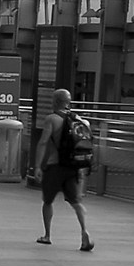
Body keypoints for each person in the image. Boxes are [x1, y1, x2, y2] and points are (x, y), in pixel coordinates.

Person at [34, 86, 94, 253]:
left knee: (47, 201)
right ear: (68, 102)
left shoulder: (52, 119)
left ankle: (47, 235)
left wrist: (38, 166)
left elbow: (44, 142)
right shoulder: (81, 121)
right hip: (74, 167)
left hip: (55, 166)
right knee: (76, 203)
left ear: (55, 101)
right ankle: (84, 231)